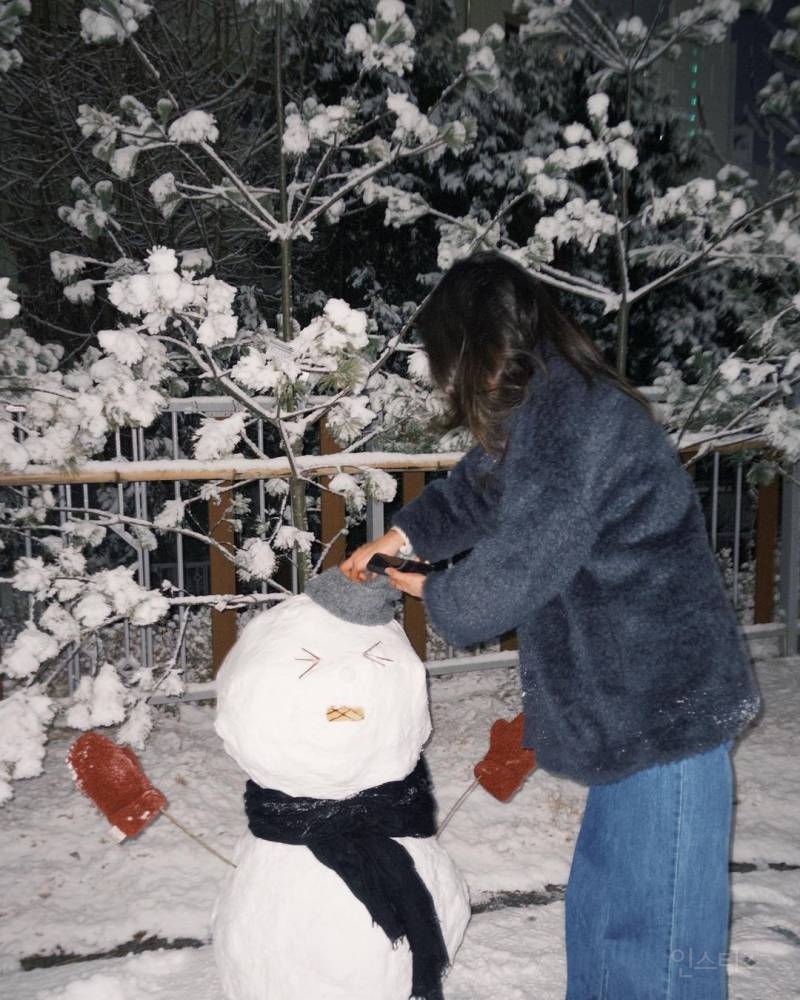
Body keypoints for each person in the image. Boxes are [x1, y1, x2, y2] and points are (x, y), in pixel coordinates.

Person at [339, 250, 761, 1000]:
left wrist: (434, 591)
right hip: (627, 715)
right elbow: (480, 489)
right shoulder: (548, 411)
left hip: (666, 712)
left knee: (658, 949)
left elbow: (511, 575)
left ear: (472, 349)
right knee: (605, 921)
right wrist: (401, 539)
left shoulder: (577, 421)